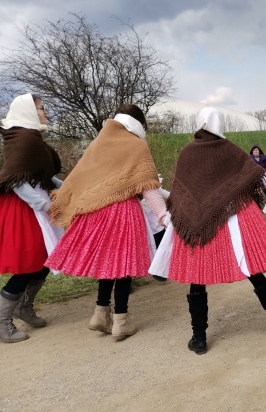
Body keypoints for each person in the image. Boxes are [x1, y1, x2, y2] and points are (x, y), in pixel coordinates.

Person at [149, 108, 266, 354]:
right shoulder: (229, 150)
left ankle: (199, 339)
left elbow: (179, 193)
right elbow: (263, 178)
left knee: (197, 279)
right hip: (232, 220)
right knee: (253, 270)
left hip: (197, 227)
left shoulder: (187, 152)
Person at [46, 103, 167, 341]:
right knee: (123, 265)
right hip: (124, 212)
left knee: (107, 263)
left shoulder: (98, 144)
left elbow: (79, 179)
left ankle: (100, 314)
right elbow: (148, 188)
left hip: (95, 212)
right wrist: (164, 216)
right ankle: (121, 320)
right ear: (138, 124)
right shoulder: (136, 145)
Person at [0, 94, 63, 343]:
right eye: (41, 108)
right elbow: (16, 180)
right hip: (24, 207)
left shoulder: (31, 138)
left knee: (48, 257)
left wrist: (70, 187)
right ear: (28, 111)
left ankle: (24, 307)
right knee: (30, 262)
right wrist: (43, 205)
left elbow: (42, 176)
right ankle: (3, 322)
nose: (45, 112)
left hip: (36, 204)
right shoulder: (24, 138)